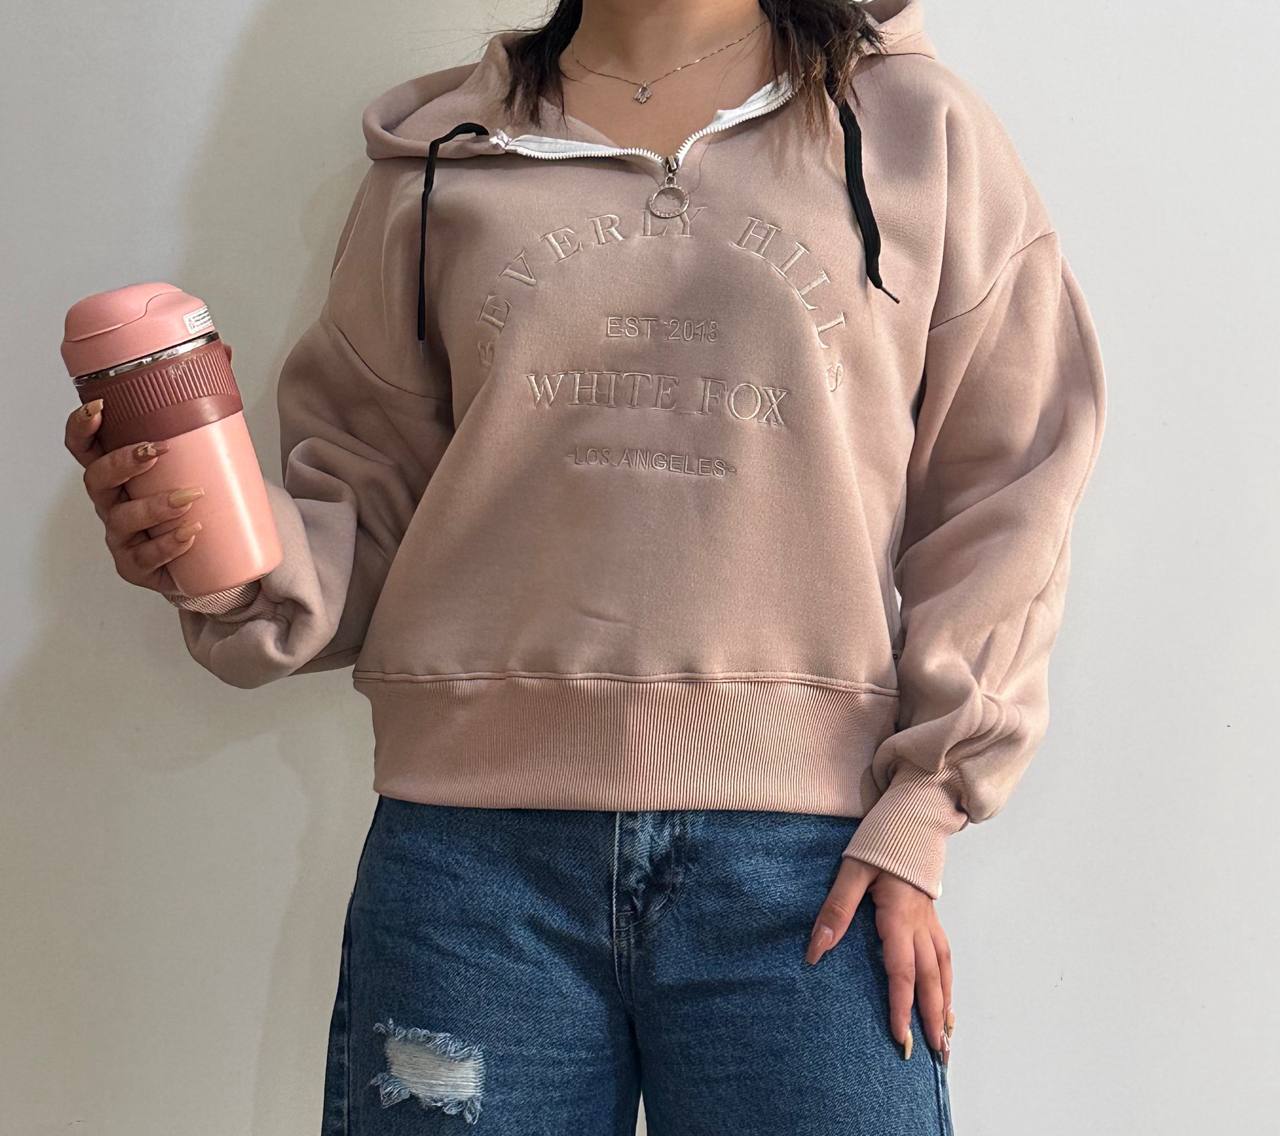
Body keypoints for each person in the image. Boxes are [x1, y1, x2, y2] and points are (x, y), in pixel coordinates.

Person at [62, 0, 1106, 1131]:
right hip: (471, 874)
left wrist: (925, 806)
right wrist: (212, 552)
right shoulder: (438, 160)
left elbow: (1009, 486)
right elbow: (368, 513)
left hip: (809, 867)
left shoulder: (914, 132)